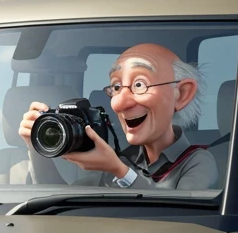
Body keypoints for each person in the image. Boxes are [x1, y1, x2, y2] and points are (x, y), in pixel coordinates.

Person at [18, 43, 218, 190]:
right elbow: (61, 201)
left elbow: (181, 220)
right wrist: (37, 148)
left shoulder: (198, 162)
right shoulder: (122, 158)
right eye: (116, 87)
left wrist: (119, 171)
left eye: (139, 85)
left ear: (181, 94)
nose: (118, 103)